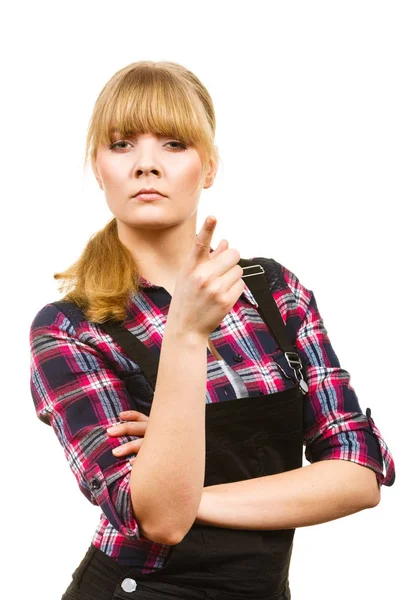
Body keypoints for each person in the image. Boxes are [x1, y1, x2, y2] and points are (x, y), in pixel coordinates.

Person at [29, 60, 395, 600]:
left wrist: (185, 491)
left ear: (209, 167)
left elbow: (359, 474)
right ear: (98, 166)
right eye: (122, 144)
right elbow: (157, 521)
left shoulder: (274, 294)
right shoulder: (70, 330)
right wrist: (186, 332)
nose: (147, 166)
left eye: (174, 144)